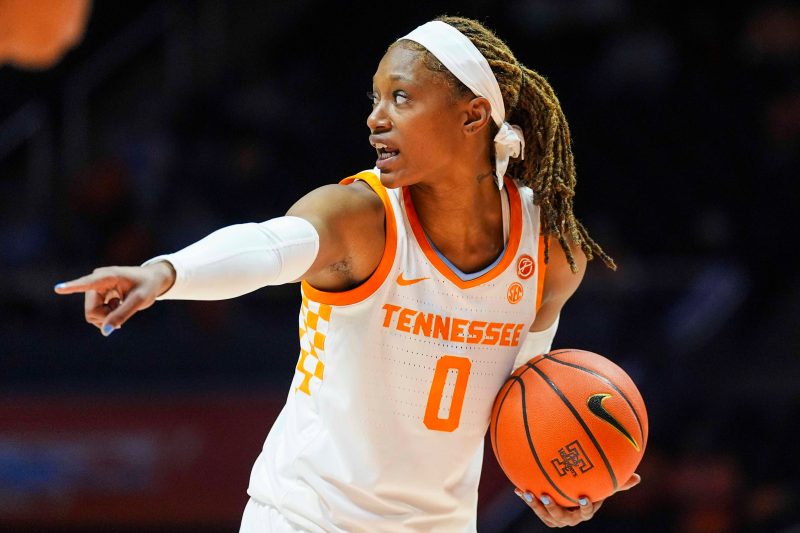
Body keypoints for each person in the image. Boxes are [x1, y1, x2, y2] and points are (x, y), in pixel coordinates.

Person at [55, 16, 640, 531]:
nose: (375, 118)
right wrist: (165, 273)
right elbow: (268, 247)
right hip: (306, 518)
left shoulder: (551, 252)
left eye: (401, 97)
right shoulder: (360, 218)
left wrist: (556, 486)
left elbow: (520, 403)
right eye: (374, 98)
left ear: (473, 115)